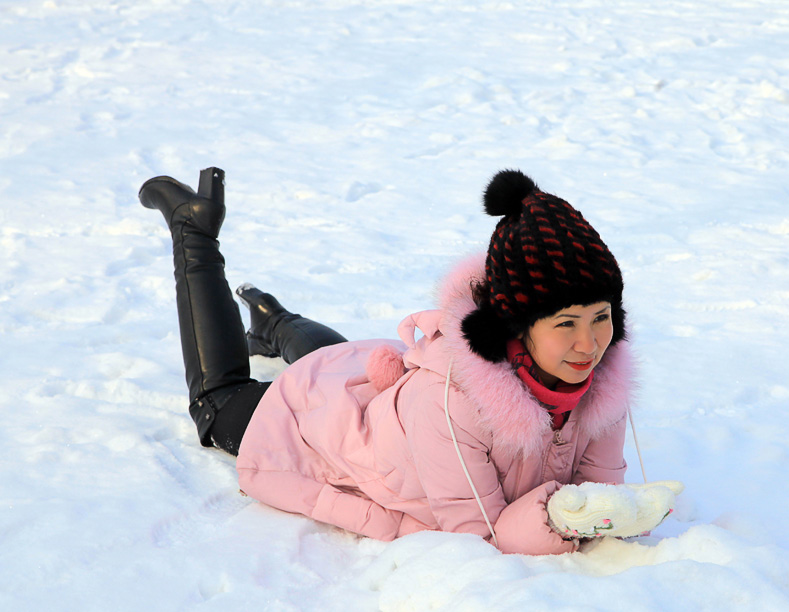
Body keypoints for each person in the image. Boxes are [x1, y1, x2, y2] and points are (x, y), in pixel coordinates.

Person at [139, 167, 637, 555]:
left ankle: (273, 321)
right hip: (322, 433)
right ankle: (194, 231)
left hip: (371, 394)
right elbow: (478, 536)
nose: (589, 344)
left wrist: (600, 512)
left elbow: (602, 498)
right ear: (516, 327)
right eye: (566, 323)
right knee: (219, 399)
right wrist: (561, 516)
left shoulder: (598, 380)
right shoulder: (453, 404)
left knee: (333, 365)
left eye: (601, 317)